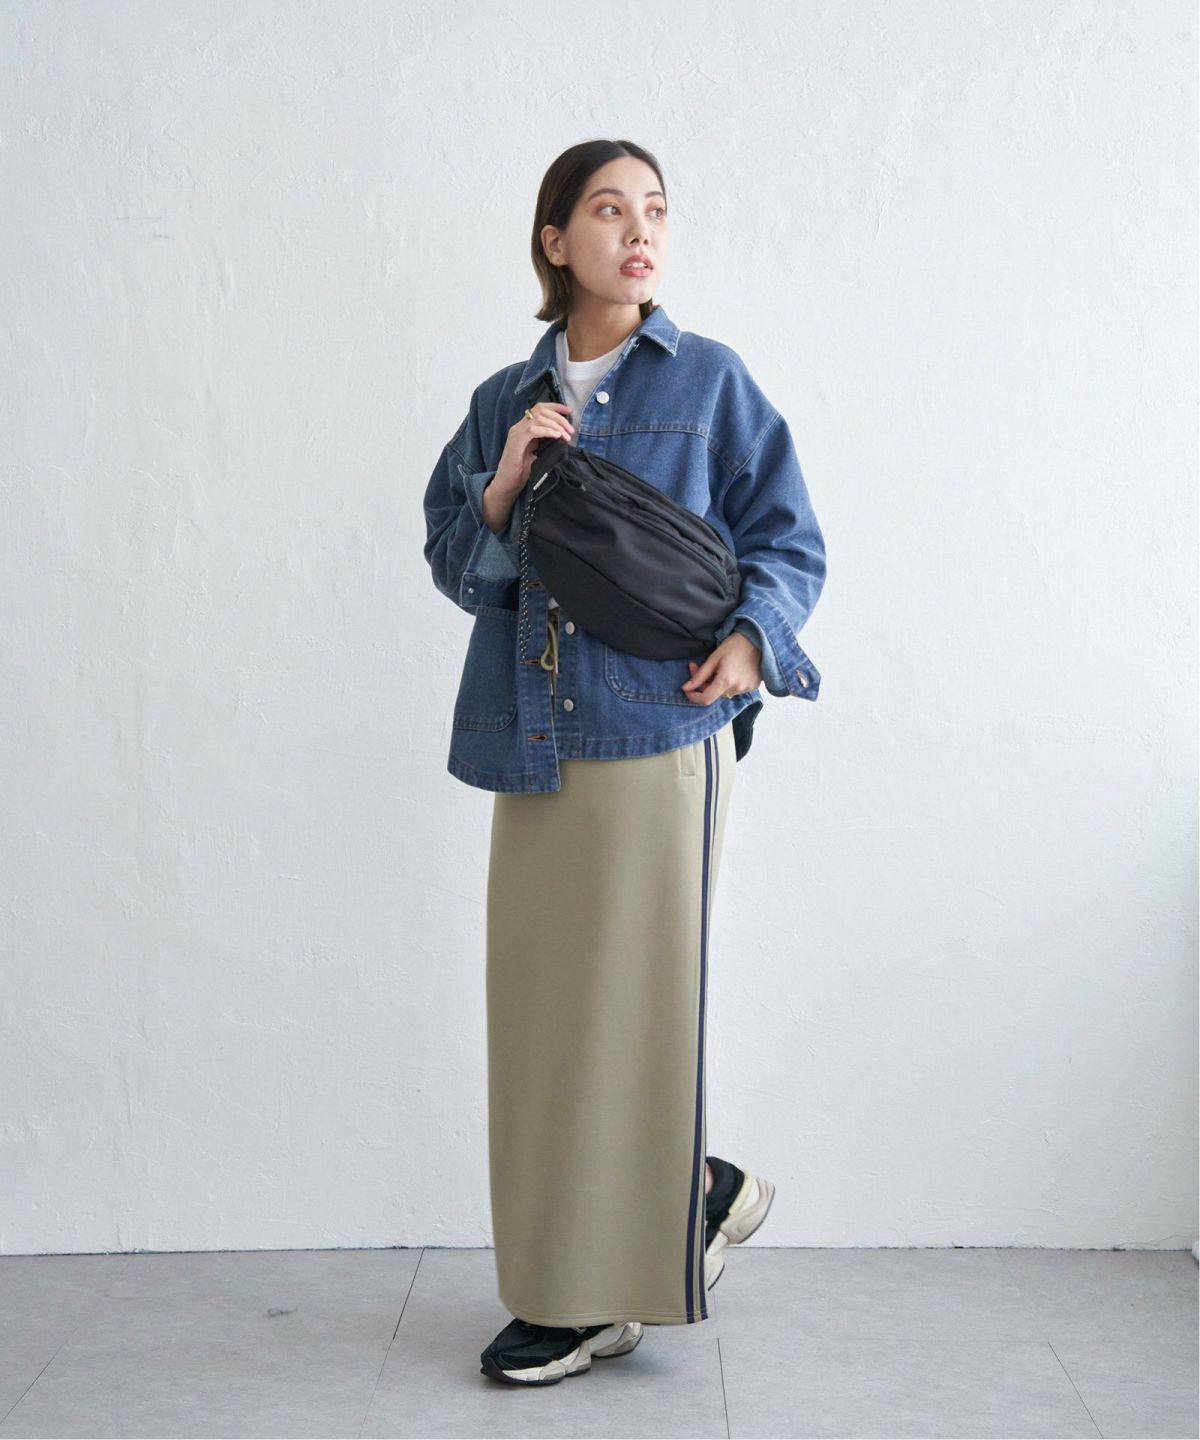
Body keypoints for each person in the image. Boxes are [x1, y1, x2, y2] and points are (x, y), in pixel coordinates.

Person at [421, 139, 827, 1386]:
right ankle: (680, 1200)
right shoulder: (503, 399)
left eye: (654, 209)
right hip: (534, 743)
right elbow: (457, 567)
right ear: (556, 241)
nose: (639, 231)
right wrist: (502, 487)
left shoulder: (708, 382)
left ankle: (598, 1295)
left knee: (640, 1015)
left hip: (663, 738)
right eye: (608, 210)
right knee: (542, 1021)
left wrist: (754, 641)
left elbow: (789, 539)